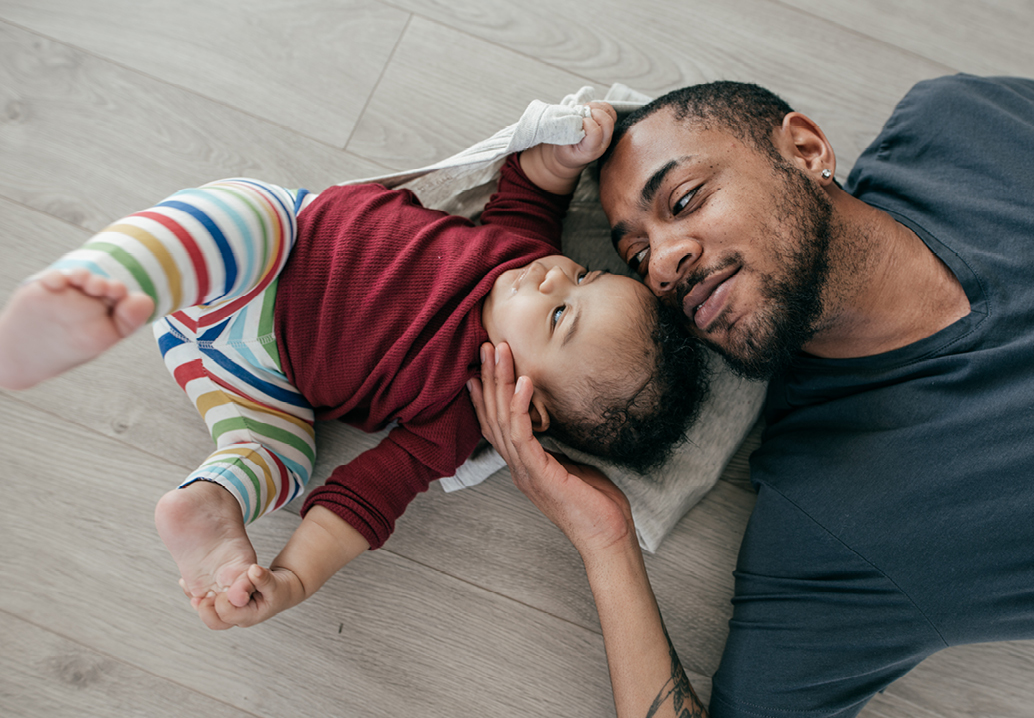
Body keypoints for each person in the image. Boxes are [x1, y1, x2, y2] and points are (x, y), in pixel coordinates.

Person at [471, 76, 1034, 717]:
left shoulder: (958, 120)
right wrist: (605, 542)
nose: (663, 263)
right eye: (636, 258)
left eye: (685, 198)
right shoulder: (834, 527)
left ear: (807, 151)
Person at [0, 101, 708, 633]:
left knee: (283, 453)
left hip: (251, 374)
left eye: (560, 316)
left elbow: (361, 500)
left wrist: (292, 580)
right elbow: (531, 184)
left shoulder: (456, 421)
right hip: (267, 251)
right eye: (583, 274)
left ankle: (214, 499)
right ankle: (103, 285)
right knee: (231, 213)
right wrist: (569, 150)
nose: (554, 278)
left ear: (530, 404)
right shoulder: (515, 253)